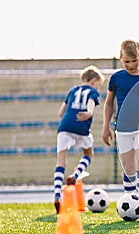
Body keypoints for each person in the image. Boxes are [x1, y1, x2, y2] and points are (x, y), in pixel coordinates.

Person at [102, 39, 139, 221]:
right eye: (126, 61)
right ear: (120, 59)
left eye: (134, 61)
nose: (130, 65)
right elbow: (108, 103)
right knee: (128, 168)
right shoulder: (116, 78)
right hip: (122, 129)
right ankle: (130, 201)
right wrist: (105, 127)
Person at [53, 65, 105, 214]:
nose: (98, 88)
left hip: (64, 126)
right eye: (99, 85)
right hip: (81, 126)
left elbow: (60, 112)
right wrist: (88, 113)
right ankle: (75, 175)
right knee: (88, 154)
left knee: (61, 162)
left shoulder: (73, 90)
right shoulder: (93, 92)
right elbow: (89, 106)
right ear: (94, 81)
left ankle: (57, 195)